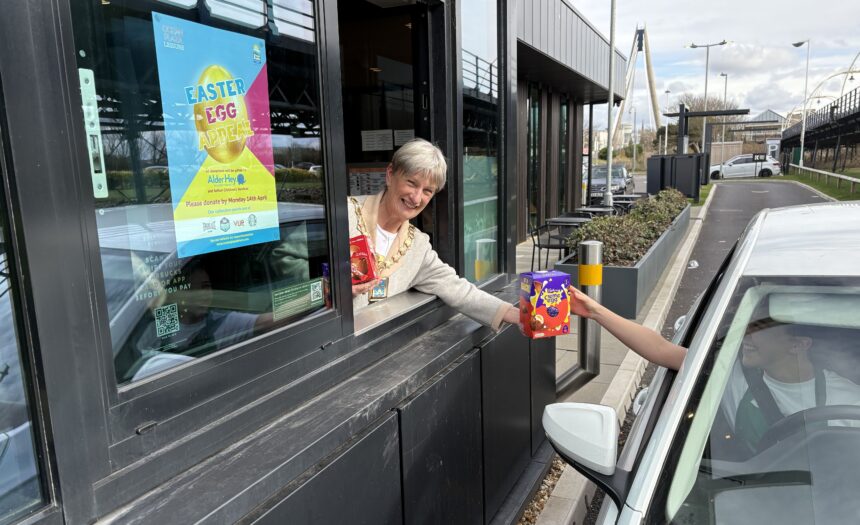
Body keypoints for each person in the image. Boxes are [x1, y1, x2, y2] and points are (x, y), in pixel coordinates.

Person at [569, 286, 860, 450]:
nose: (743, 338)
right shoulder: (731, 374)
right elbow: (659, 349)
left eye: (757, 331)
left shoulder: (847, 400)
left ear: (798, 345)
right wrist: (594, 311)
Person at [349, 138, 519, 330]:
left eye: (427, 191)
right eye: (412, 183)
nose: (416, 198)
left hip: (373, 348)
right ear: (390, 175)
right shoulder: (346, 216)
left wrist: (515, 314)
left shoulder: (416, 246)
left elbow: (456, 288)